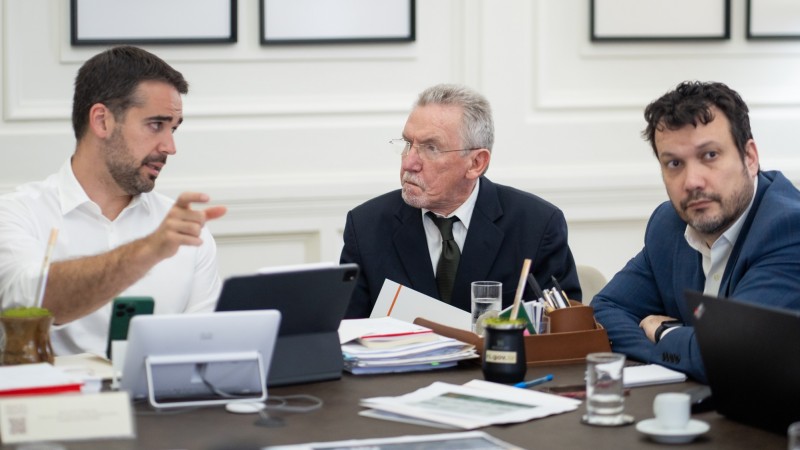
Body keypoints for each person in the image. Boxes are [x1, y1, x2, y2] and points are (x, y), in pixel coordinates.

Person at [0, 46, 227, 355]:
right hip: (55, 402)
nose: (170, 146)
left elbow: (204, 351)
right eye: (156, 125)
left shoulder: (187, 233)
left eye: (173, 128)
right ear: (102, 121)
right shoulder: (17, 213)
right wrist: (149, 250)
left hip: (158, 402)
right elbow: (33, 301)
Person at [592, 81, 800, 383]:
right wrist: (687, 353)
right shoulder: (668, 224)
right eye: (674, 163)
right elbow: (606, 309)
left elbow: (729, 356)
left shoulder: (788, 230)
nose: (692, 182)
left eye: (710, 156)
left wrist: (663, 332)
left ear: (750, 157)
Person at [340, 83, 580, 318]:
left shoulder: (537, 226)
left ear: (476, 163)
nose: (408, 163)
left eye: (431, 148)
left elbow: (563, 333)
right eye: (407, 144)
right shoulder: (365, 227)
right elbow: (347, 336)